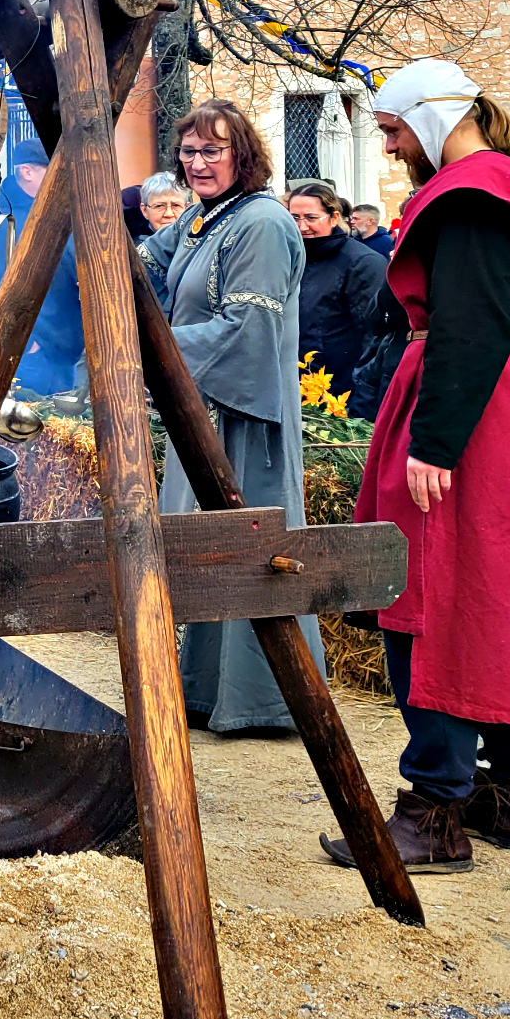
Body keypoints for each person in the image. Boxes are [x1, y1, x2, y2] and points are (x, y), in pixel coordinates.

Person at [325, 59, 510, 873]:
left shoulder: (471, 194)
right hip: (497, 407)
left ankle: (432, 812)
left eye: (392, 130)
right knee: (504, 591)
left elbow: (468, 317)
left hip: (464, 409)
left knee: (435, 592)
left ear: (430, 117)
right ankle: (509, 797)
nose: (390, 149)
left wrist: (435, 439)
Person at [145, 101, 319, 734]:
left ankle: (265, 702)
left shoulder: (264, 222)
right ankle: (206, 691)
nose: (197, 163)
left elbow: (250, 330)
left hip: (244, 413)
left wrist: (157, 350)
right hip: (203, 404)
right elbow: (148, 263)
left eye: (212, 151)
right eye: (188, 152)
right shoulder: (202, 216)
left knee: (251, 546)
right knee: (203, 544)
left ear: (241, 155)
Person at [0, 139, 83, 397]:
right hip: (30, 360)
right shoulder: (2, 222)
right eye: (56, 170)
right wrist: (25, 342)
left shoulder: (56, 213)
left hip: (63, 357)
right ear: (27, 172)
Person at [286, 180, 385, 398]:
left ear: (334, 218)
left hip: (340, 391)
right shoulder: (289, 258)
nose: (302, 227)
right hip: (295, 384)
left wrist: (363, 399)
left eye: (311, 218)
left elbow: (374, 337)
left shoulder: (362, 263)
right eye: (294, 218)